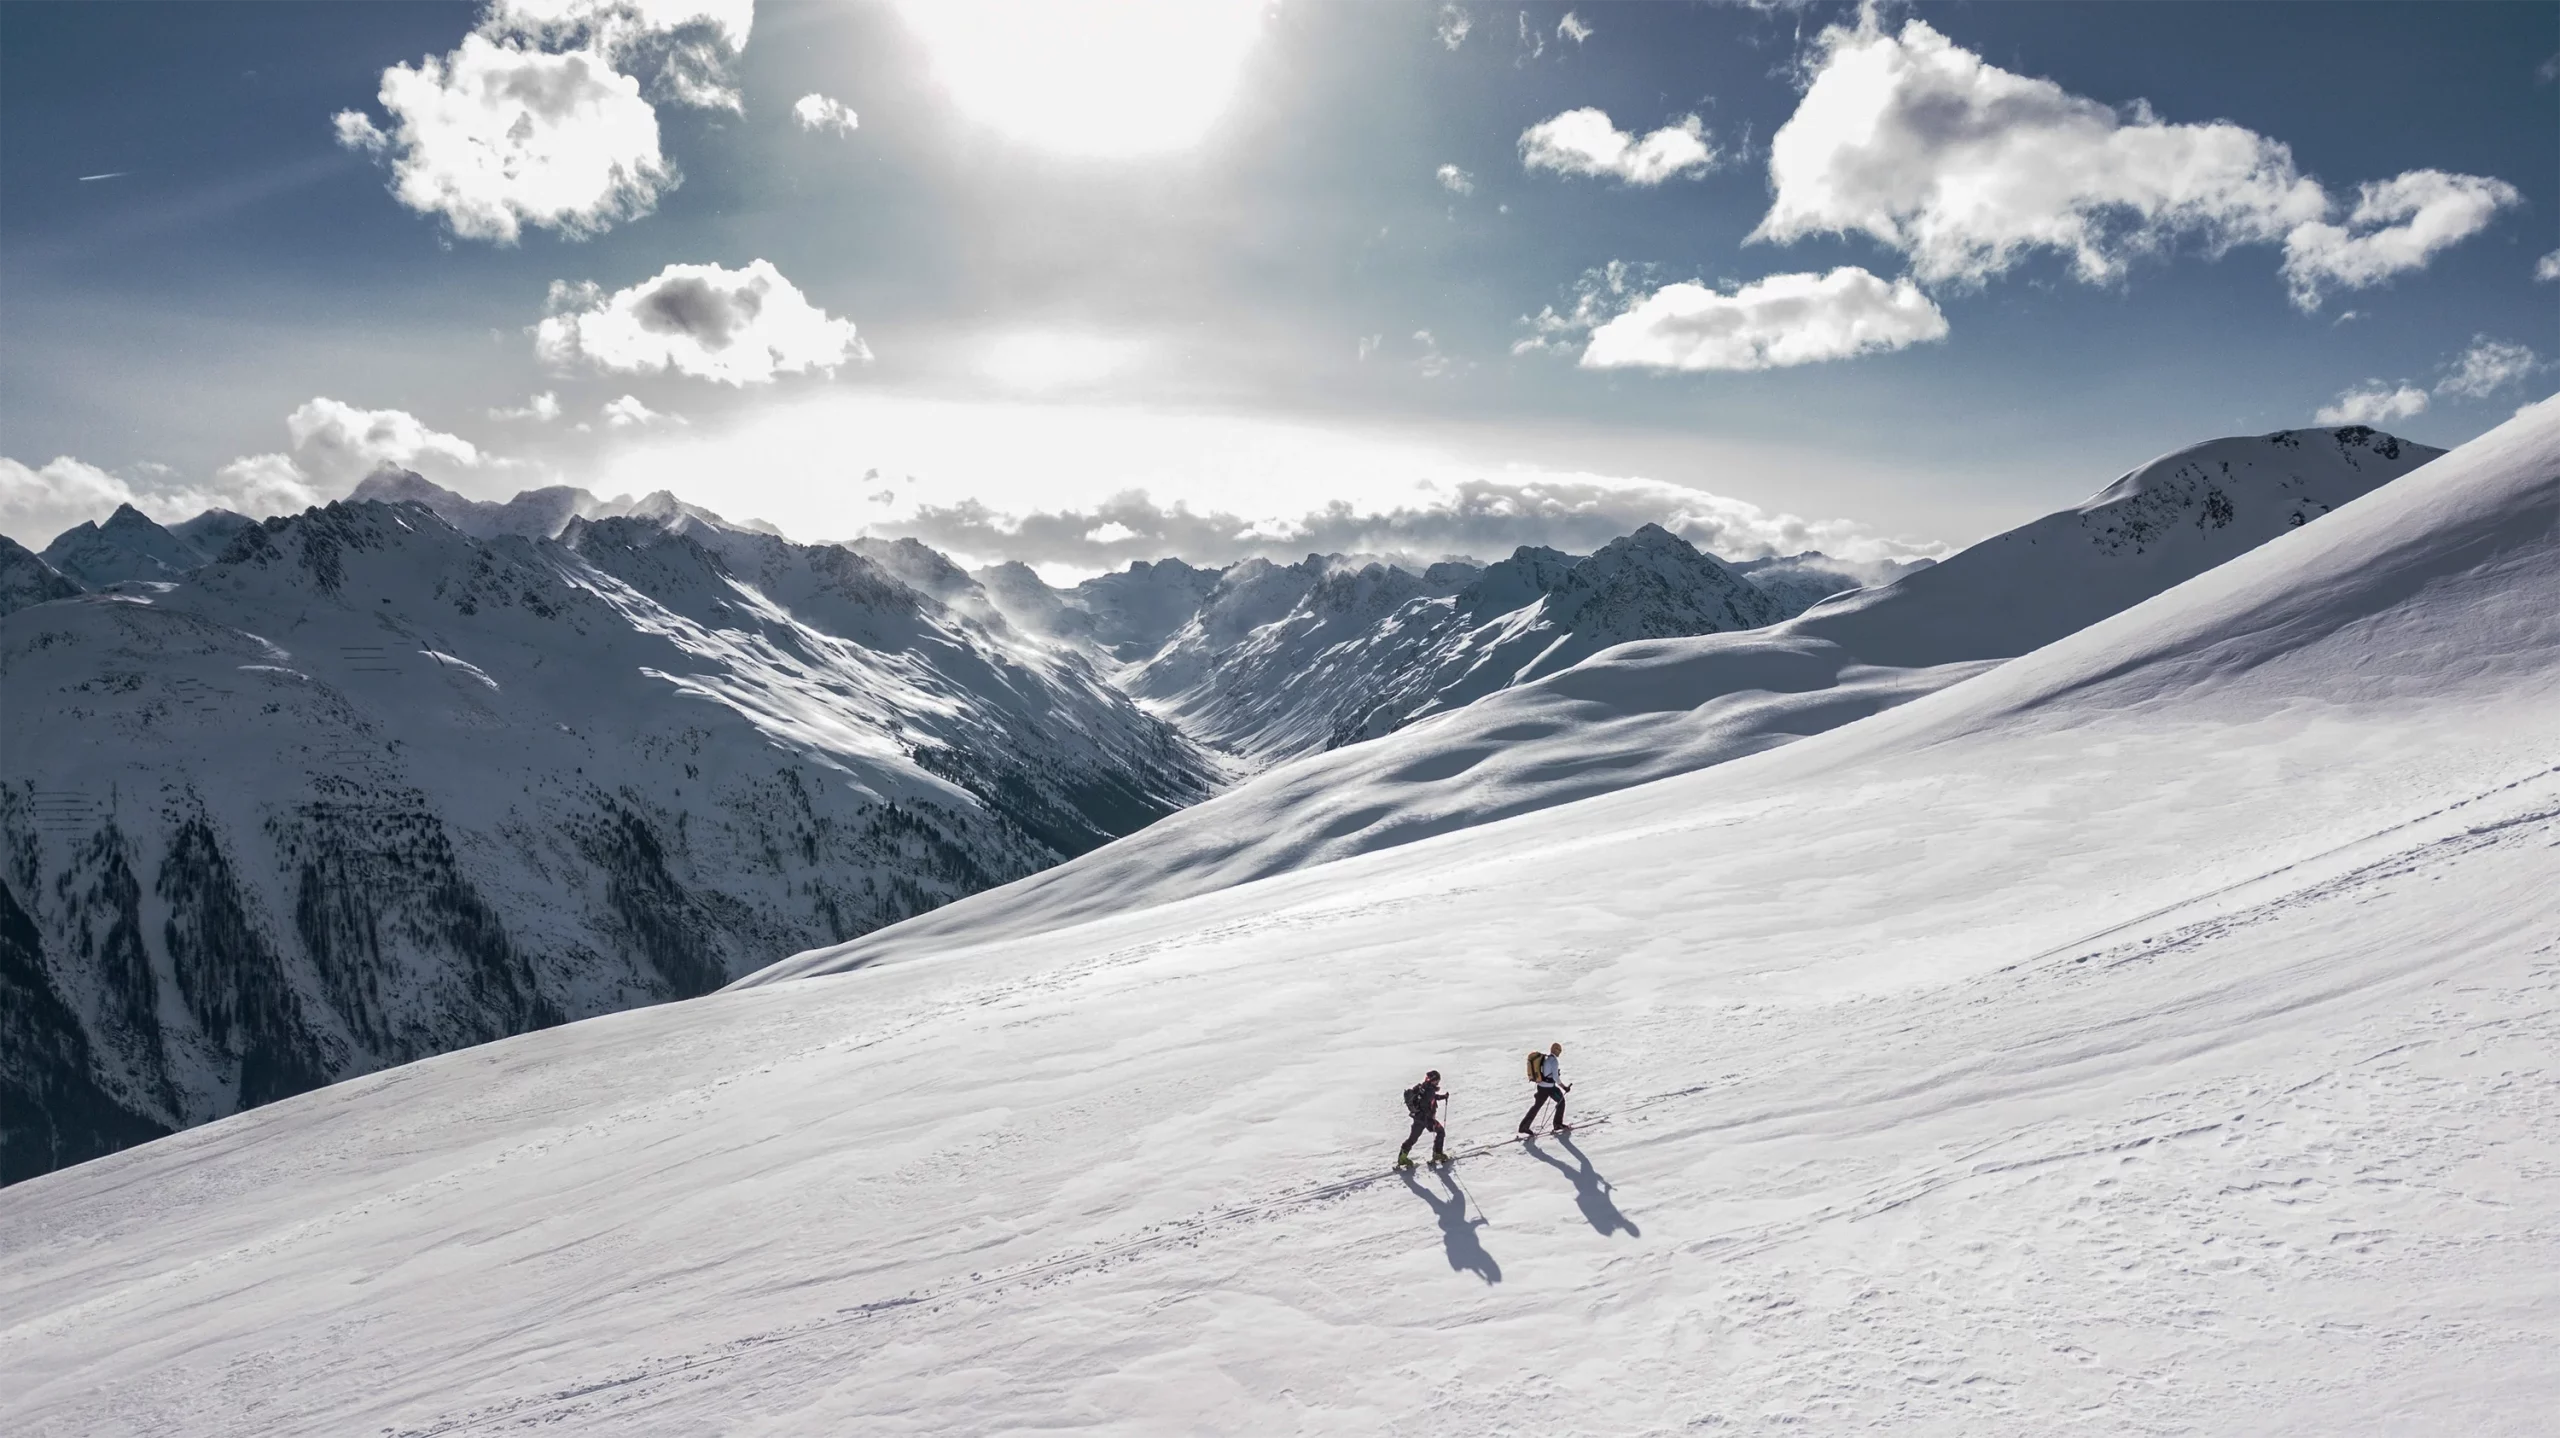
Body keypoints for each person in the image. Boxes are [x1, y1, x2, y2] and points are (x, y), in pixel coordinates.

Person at [1398, 1070, 1451, 1167]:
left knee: (1412, 1138)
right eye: (1437, 1081)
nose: (1438, 1082)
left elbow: (1432, 1098)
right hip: (1426, 1119)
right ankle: (1437, 1154)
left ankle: (1402, 1158)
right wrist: (1430, 1115)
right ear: (1433, 1080)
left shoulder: (1423, 1087)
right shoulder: (1430, 1090)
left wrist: (1443, 1097)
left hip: (1418, 1118)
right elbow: (1428, 1101)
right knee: (1440, 1131)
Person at [1520, 1041, 1570, 1134]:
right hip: (1550, 1088)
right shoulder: (1554, 1061)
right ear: (1556, 1050)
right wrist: (1564, 1087)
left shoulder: (1545, 1058)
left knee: (1536, 1106)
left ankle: (1524, 1126)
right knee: (1561, 1102)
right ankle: (1557, 1124)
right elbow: (1555, 1077)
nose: (1560, 1052)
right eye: (1559, 1050)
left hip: (1541, 1087)